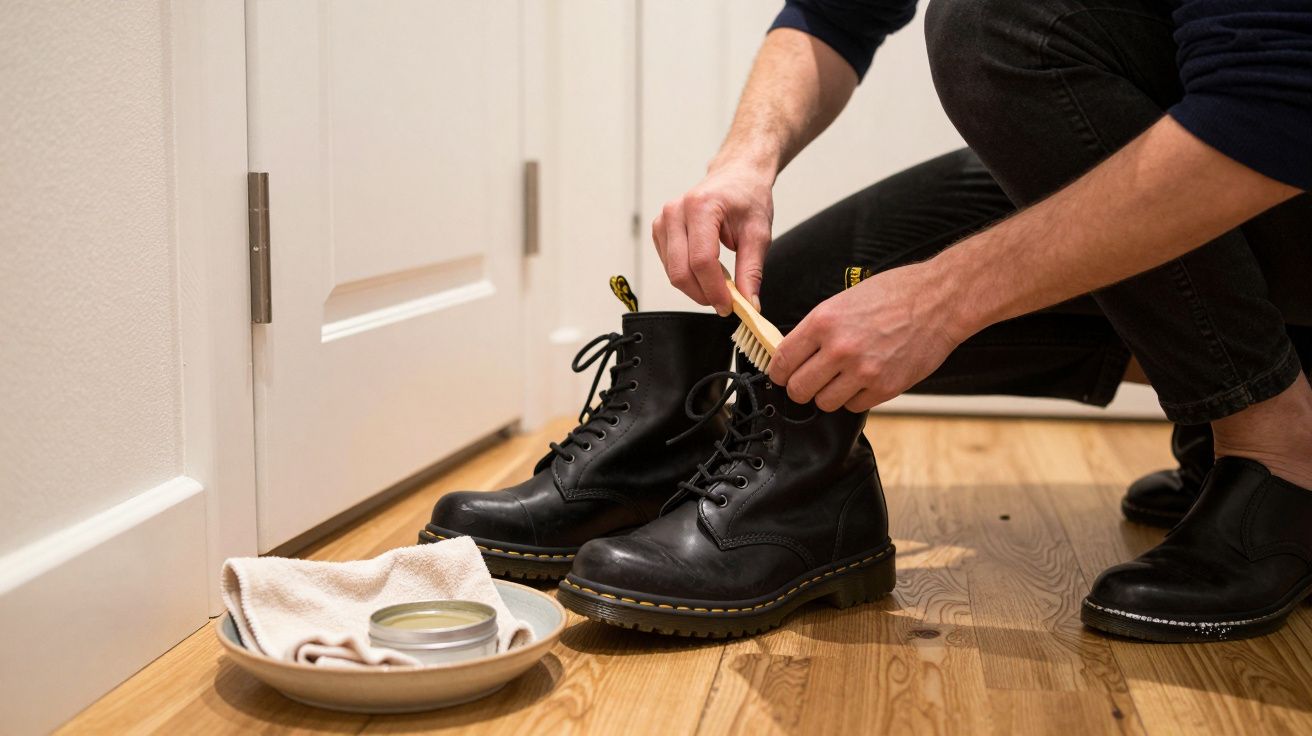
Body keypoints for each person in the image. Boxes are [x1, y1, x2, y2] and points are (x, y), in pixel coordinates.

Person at [636, 0, 1312, 642]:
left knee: (997, 28)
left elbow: (1273, 108)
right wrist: (743, 161)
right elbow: (835, 12)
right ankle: (1279, 371)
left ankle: (1279, 449)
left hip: (1272, 137)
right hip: (1211, 123)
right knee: (803, 298)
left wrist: (941, 299)